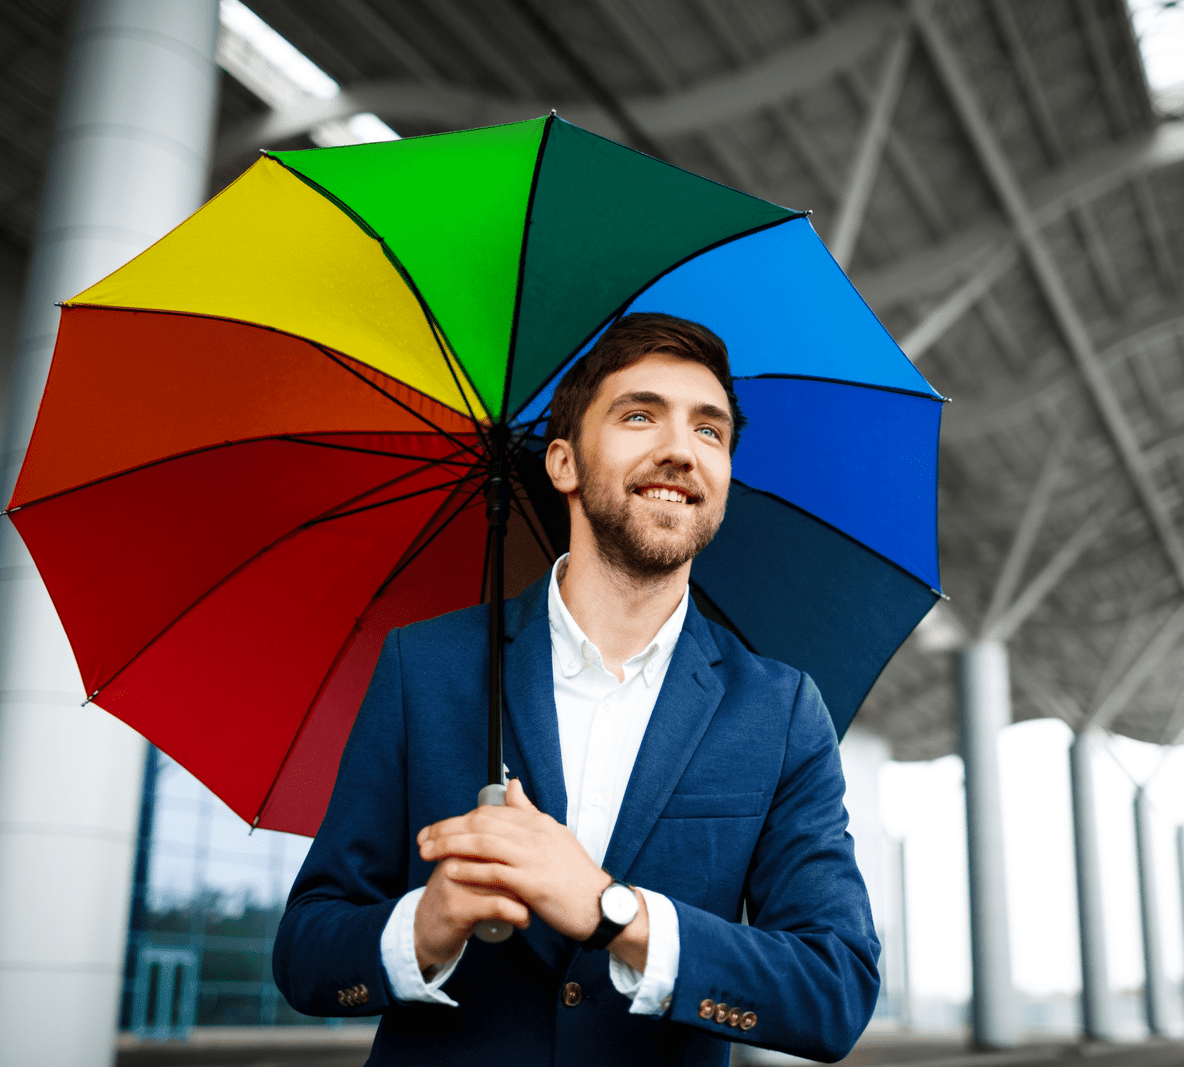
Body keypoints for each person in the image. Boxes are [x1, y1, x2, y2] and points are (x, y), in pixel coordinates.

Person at [273, 313, 879, 1065]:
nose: (680, 451)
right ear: (563, 461)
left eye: (710, 431)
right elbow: (304, 949)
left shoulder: (780, 710)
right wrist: (421, 928)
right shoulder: (423, 667)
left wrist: (612, 911)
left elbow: (834, 987)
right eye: (638, 415)